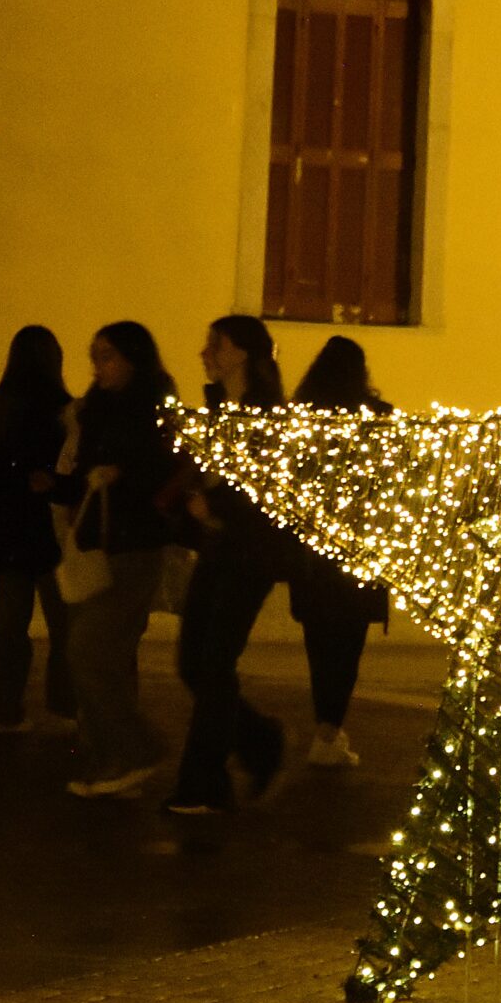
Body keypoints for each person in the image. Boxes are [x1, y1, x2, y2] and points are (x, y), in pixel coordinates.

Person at [164, 316, 298, 816]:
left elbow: (268, 493)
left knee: (213, 662)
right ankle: (260, 740)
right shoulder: (222, 410)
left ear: (240, 353)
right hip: (220, 548)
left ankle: (204, 783)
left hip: (251, 553)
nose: (205, 353)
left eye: (214, 345)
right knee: (194, 662)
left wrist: (216, 510)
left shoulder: (268, 417)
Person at [60, 321, 181, 799]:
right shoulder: (97, 408)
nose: (99, 365)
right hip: (99, 545)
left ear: (133, 358)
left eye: (107, 355)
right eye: (95, 355)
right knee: (96, 654)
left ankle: (136, 749)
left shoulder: (154, 407)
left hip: (135, 545)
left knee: (89, 651)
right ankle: (118, 752)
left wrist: (123, 473)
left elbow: (164, 466)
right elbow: (82, 465)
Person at [289, 335, 394, 768]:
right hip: (361, 545)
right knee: (348, 645)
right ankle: (329, 729)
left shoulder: (302, 418)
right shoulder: (379, 418)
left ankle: (324, 726)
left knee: (319, 642)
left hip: (314, 549)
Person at [0, 326, 76, 734]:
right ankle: (64, 708)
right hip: (52, 530)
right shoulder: (65, 410)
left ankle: (0, 710)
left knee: (7, 628)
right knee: (65, 628)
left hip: (7, 530)